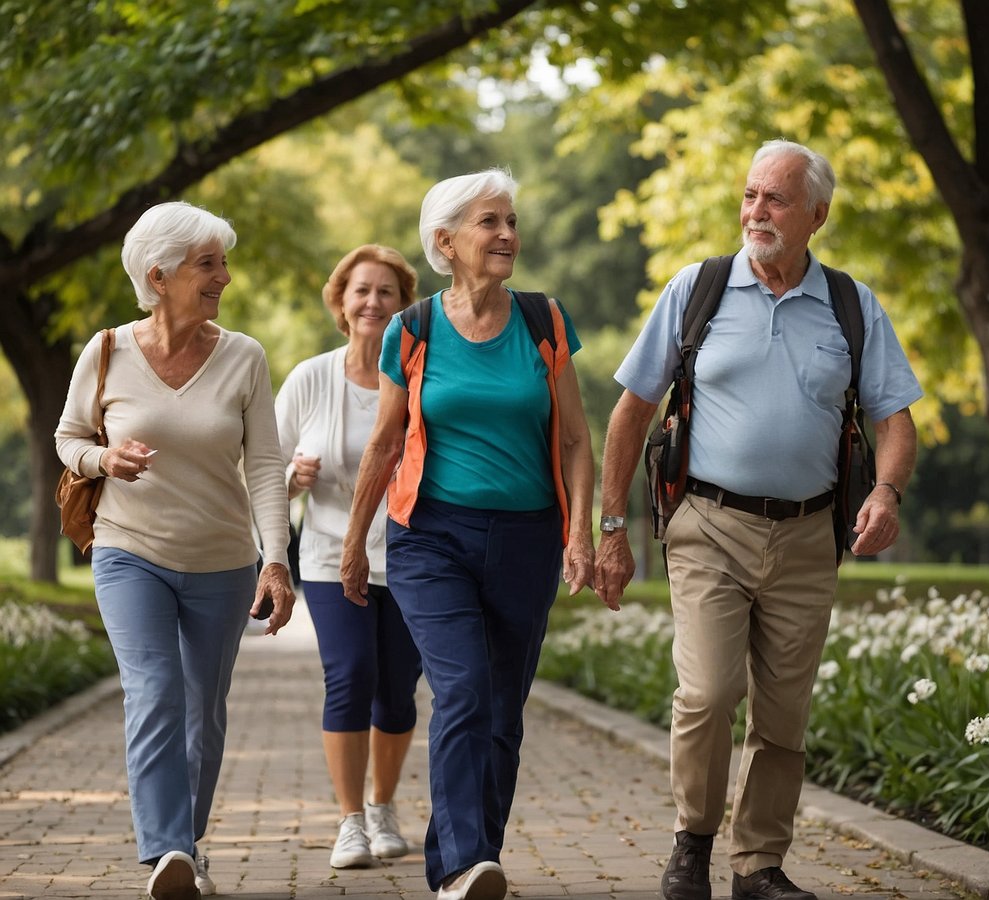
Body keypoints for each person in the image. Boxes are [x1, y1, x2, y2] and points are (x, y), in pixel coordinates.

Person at [594, 140, 922, 900]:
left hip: (810, 535)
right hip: (709, 524)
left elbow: (895, 421)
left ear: (817, 215)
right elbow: (631, 413)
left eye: (774, 199)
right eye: (749, 196)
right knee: (707, 694)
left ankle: (759, 866)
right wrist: (613, 530)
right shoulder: (699, 289)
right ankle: (692, 843)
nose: (756, 212)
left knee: (783, 715)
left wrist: (888, 493)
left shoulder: (850, 304)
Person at [340, 168, 598, 900]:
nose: (508, 235)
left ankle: (471, 851)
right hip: (431, 535)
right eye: (491, 222)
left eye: (511, 221)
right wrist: (355, 541)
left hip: (527, 536)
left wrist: (579, 532)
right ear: (446, 240)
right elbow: (386, 444)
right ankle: (461, 866)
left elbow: (578, 442)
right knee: (463, 689)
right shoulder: (413, 328)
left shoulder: (544, 321)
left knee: (502, 710)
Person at [54, 201, 295, 900]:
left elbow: (266, 468)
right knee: (154, 690)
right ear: (158, 277)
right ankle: (166, 852)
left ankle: (183, 850)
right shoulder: (105, 351)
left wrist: (274, 560)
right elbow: (69, 437)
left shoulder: (244, 356)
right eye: (208, 264)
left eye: (222, 261)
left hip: (222, 561)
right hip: (130, 552)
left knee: (204, 710)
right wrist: (103, 460)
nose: (225, 275)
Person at [274, 244, 424, 869]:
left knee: (397, 691)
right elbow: (259, 473)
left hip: (414, 558)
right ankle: (349, 821)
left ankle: (384, 806)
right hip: (332, 555)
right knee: (351, 674)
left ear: (402, 307)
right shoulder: (310, 378)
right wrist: (291, 476)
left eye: (385, 292)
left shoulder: (421, 378)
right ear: (341, 301)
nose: (372, 302)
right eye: (361, 290)